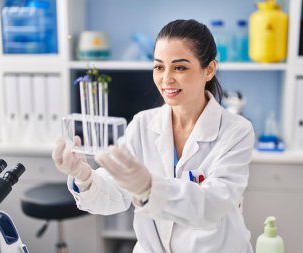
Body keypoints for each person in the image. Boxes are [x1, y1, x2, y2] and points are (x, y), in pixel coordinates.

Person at [52, 19, 255, 253]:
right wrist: (84, 176)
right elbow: (115, 196)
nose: (166, 78)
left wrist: (150, 187)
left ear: (209, 69)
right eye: (159, 67)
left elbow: (212, 206)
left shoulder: (235, 131)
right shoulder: (143, 124)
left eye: (180, 67)